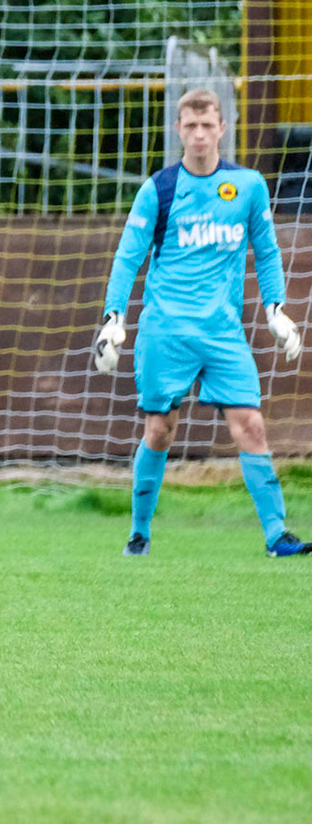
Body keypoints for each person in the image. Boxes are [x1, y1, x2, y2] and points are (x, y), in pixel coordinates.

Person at [93, 87, 307, 558]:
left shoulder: (248, 186)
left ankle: (277, 535)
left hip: (223, 331)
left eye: (208, 125)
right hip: (166, 330)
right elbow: (128, 257)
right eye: (190, 126)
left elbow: (267, 252)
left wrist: (276, 308)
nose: (199, 135)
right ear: (179, 130)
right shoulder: (159, 189)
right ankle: (139, 533)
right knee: (159, 430)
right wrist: (113, 317)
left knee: (250, 423)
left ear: (222, 129)